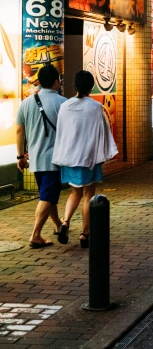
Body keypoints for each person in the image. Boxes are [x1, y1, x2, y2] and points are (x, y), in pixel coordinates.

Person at [52, 71, 118, 248]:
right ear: (91, 86)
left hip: (70, 156)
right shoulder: (95, 107)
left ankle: (65, 222)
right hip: (89, 157)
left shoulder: (65, 106)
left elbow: (61, 132)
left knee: (74, 192)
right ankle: (84, 234)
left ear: (74, 85)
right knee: (88, 195)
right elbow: (103, 131)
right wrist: (105, 153)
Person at [15, 65, 66, 248]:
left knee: (48, 195)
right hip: (54, 159)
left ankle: (58, 225)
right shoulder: (63, 103)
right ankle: (35, 235)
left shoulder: (26, 103)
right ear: (55, 82)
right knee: (47, 196)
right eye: (59, 79)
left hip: (35, 159)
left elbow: (19, 131)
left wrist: (20, 156)